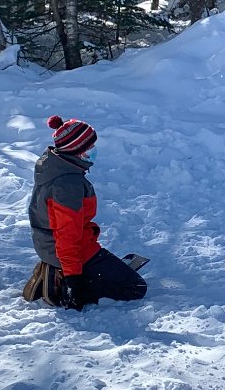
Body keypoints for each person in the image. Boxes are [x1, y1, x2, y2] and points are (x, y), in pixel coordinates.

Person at [24, 115, 147, 310]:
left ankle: (75, 271)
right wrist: (74, 280)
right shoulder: (67, 186)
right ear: (76, 152)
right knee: (135, 287)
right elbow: (67, 236)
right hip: (69, 251)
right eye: (89, 148)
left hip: (52, 245)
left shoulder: (53, 166)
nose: (93, 151)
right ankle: (63, 281)